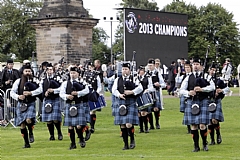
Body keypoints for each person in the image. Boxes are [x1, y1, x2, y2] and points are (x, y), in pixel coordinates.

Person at [179, 58, 215, 152]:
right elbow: (181, 90)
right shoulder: (188, 77)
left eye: (197, 64)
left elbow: (212, 87)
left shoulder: (206, 76)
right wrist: (188, 93)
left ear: (201, 66)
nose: (195, 66)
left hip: (203, 101)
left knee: (202, 125)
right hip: (192, 101)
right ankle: (196, 146)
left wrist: (202, 89)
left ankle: (204, 144)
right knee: (194, 125)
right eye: (194, 64)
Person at [112, 62, 143, 150]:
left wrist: (132, 92)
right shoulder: (118, 79)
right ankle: (125, 144)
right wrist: (119, 95)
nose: (124, 71)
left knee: (129, 124)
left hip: (131, 102)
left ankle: (132, 139)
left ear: (129, 70)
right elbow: (114, 89)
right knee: (122, 125)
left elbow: (140, 88)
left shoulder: (134, 78)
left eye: (126, 69)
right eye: (123, 69)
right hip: (121, 102)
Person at [59, 66, 90, 150]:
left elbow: (87, 90)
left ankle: (81, 138)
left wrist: (78, 93)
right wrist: (67, 96)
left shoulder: (82, 82)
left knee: (79, 126)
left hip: (78, 104)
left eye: (74, 73)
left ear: (78, 74)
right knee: (70, 126)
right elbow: (61, 93)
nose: (72, 75)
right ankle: (73, 144)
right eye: (71, 73)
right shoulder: (66, 83)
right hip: (69, 105)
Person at [10, 65, 40, 148]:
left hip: (31, 103)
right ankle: (26, 143)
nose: (28, 73)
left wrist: (31, 93)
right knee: (22, 124)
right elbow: (12, 92)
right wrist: (18, 96)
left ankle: (31, 132)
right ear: (23, 72)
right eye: (26, 71)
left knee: (29, 120)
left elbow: (40, 90)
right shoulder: (18, 81)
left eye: (29, 71)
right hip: (21, 104)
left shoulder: (35, 80)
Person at [34, 63, 63, 140]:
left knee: (55, 118)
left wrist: (54, 90)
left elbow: (62, 88)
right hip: (47, 100)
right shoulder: (43, 79)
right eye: (48, 69)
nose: (50, 71)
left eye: (51, 69)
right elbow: (40, 89)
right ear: (46, 70)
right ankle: (52, 135)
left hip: (55, 99)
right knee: (49, 120)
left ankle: (59, 133)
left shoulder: (57, 77)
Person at [207, 63, 228, 145]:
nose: (212, 71)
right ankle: (212, 139)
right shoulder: (205, 79)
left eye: (214, 70)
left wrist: (221, 91)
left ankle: (218, 134)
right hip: (208, 101)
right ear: (208, 70)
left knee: (214, 120)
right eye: (211, 69)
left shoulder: (219, 80)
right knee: (209, 122)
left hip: (216, 101)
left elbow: (227, 89)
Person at [147, 59, 166, 129]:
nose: (150, 67)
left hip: (156, 93)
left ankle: (157, 123)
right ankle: (151, 125)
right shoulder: (146, 73)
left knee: (156, 109)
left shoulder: (158, 73)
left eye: (151, 65)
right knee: (149, 110)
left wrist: (159, 85)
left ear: (154, 65)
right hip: (148, 93)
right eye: (149, 65)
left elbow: (164, 84)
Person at [137, 65, 154, 133]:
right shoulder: (136, 78)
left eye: (142, 71)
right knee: (139, 113)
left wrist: (147, 90)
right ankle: (141, 128)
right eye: (140, 70)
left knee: (144, 113)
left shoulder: (148, 78)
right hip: (138, 96)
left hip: (145, 96)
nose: (140, 72)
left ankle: (146, 128)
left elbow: (151, 87)